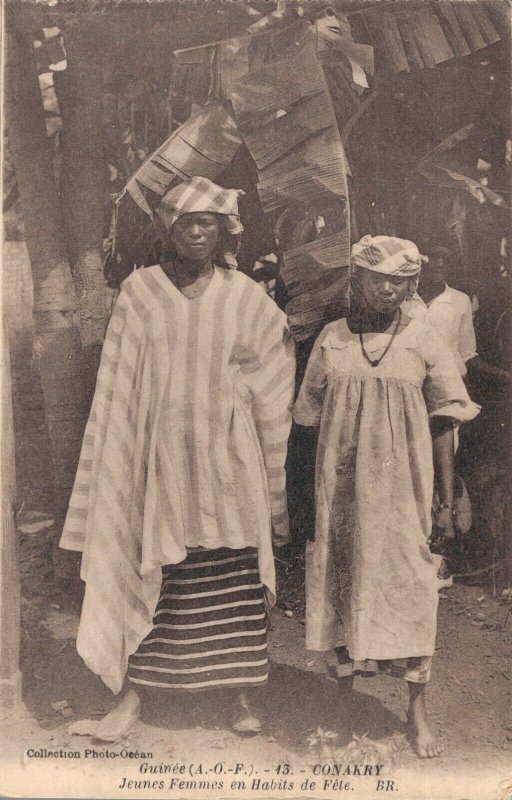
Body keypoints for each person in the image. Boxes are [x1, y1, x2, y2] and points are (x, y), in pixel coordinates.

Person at [60, 177, 295, 740]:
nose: (196, 230)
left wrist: (253, 436)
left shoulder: (244, 296)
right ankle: (134, 697)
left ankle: (237, 694)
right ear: (169, 229)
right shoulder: (140, 292)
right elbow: (117, 383)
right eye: (186, 222)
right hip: (159, 459)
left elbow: (273, 372)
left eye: (207, 222)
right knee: (159, 567)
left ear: (222, 231)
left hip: (227, 461)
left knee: (233, 570)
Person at [293, 235, 479, 758]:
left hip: (404, 492)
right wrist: (308, 499)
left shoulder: (424, 338)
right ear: (358, 281)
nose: (389, 290)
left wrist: (445, 498)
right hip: (342, 493)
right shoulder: (332, 338)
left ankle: (416, 711)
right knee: (342, 582)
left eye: (401, 282)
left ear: (412, 285)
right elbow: (307, 421)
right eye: (378, 280)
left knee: (411, 588)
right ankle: (342, 700)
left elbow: (445, 419)